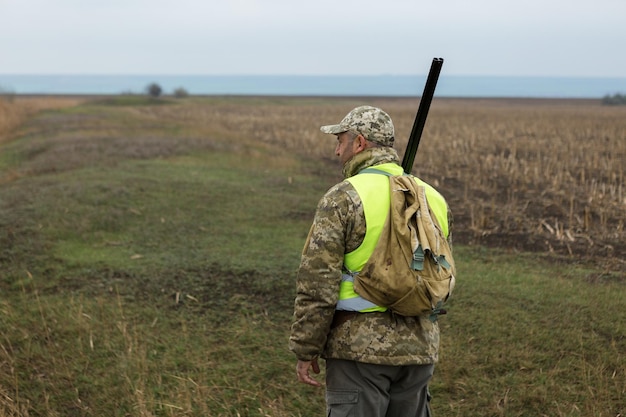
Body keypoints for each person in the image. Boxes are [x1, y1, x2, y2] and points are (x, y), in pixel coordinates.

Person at [289, 105, 452, 416]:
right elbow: (441, 274)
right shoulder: (433, 198)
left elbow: (317, 283)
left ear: (359, 143)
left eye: (340, 141)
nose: (337, 151)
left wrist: (306, 347)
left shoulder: (343, 197)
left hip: (358, 352)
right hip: (420, 349)